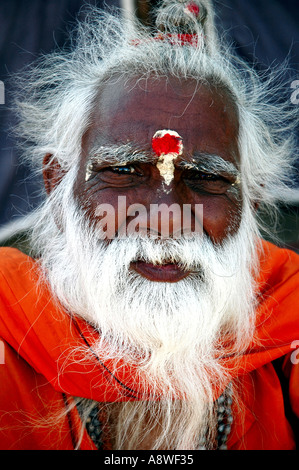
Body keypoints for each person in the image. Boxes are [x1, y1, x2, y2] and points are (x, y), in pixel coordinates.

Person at [0, 0, 298, 451]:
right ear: (57, 186)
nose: (164, 217)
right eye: (123, 172)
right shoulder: (8, 321)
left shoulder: (288, 315)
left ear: (250, 205)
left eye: (206, 179)